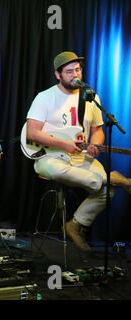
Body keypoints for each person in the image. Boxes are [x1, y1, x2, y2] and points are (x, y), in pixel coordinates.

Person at [26, 51, 112, 252]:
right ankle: (112, 178)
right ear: (58, 75)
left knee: (108, 192)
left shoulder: (90, 97)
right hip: (49, 156)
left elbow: (97, 131)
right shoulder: (45, 97)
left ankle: (76, 224)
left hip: (79, 157)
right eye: (69, 71)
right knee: (59, 172)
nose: (75, 75)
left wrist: (94, 147)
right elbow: (31, 133)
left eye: (78, 70)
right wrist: (63, 144)